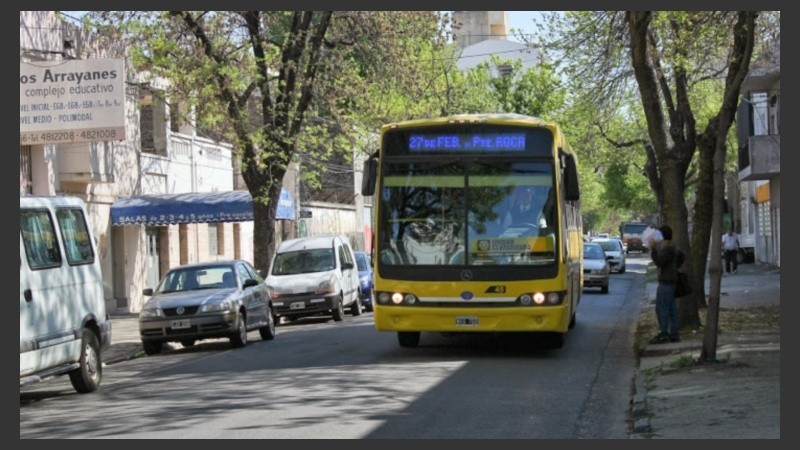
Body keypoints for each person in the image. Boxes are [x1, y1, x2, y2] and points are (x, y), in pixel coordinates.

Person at [649, 225, 680, 344]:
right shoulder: (670, 247)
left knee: (662, 308)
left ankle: (664, 334)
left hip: (666, 282)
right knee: (671, 309)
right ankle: (673, 333)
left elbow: (659, 262)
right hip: (669, 281)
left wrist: (653, 250)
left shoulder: (668, 249)